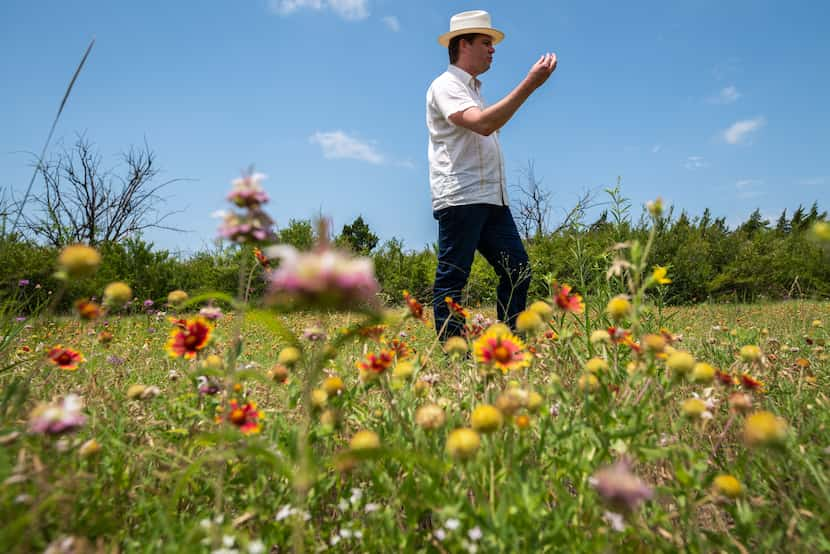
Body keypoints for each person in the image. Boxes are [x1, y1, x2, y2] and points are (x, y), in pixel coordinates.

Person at [427, 10, 557, 340]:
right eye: (486, 42)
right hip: (461, 196)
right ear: (463, 45)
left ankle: (510, 345)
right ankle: (453, 354)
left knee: (518, 270)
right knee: (453, 276)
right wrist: (530, 84)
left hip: (492, 199)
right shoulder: (446, 86)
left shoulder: (473, 91)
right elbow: (483, 124)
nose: (493, 49)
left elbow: (485, 122)